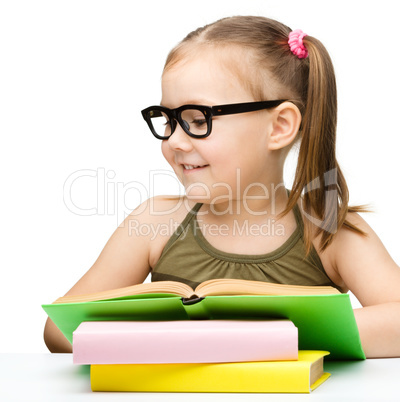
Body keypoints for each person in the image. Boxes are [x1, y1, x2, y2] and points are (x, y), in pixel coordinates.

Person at [44, 16, 400, 357]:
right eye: (168, 120)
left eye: (198, 120)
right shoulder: (154, 223)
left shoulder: (328, 231)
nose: (175, 142)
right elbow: (59, 330)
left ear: (279, 127)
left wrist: (261, 339)